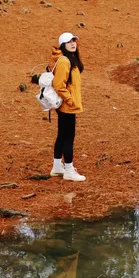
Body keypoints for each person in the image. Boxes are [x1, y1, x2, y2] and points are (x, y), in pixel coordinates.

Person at [49, 32, 86, 182]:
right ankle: (69, 170)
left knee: (62, 135)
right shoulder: (65, 61)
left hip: (65, 106)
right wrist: (70, 101)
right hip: (67, 106)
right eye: (69, 42)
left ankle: (57, 166)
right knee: (68, 137)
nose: (73, 44)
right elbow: (59, 85)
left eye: (74, 41)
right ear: (63, 45)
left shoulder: (70, 59)